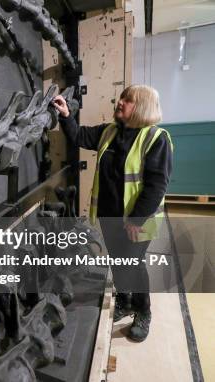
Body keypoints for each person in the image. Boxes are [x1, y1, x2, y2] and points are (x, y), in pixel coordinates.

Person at [52, 85, 173, 342]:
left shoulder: (155, 138)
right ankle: (125, 301)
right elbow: (80, 137)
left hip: (136, 221)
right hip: (110, 216)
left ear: (140, 107)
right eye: (121, 98)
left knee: (133, 266)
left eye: (127, 100)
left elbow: (157, 185)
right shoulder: (110, 131)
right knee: (119, 262)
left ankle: (143, 311)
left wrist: (136, 219)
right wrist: (65, 116)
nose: (120, 102)